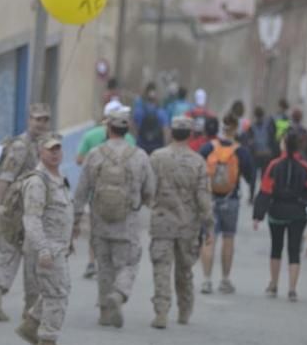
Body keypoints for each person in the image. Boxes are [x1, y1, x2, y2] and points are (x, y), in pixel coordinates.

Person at [73, 106, 155, 328]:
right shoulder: (139, 156)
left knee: (104, 266)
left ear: (108, 128)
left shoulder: (95, 154)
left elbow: (81, 190)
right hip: (127, 223)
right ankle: (119, 294)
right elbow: (150, 192)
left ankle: (104, 312)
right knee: (129, 263)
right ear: (127, 128)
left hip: (100, 221)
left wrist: (75, 220)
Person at [0, 103, 51, 322]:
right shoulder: (21, 146)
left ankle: (29, 308)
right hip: (15, 212)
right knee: (10, 254)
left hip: (35, 211)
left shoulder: (45, 145)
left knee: (32, 259)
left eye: (45, 120)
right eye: (37, 119)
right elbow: (5, 178)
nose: (41, 124)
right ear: (28, 120)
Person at [148, 117, 214, 328]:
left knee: (161, 267)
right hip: (188, 225)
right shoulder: (198, 161)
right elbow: (203, 197)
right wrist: (209, 225)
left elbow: (148, 189)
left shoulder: (157, 157)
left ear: (171, 132)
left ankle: (161, 312)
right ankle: (184, 310)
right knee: (184, 269)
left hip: (161, 222)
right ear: (191, 135)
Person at [14, 134, 75, 345]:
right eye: (50, 149)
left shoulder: (58, 177)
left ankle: (31, 325)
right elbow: (31, 219)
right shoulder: (38, 181)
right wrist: (43, 249)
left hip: (59, 246)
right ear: (40, 151)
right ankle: (47, 342)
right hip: (47, 248)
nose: (55, 153)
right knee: (56, 292)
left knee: (59, 288)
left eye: (58, 149)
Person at [253, 131, 307, 302]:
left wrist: (258, 215)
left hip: (276, 211)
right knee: (294, 251)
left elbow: (265, 191)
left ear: (284, 145)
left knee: (276, 249)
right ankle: (292, 289)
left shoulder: (273, 165)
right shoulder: (306, 167)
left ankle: (274, 284)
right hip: (298, 214)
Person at [75, 101, 134, 281]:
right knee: (119, 230)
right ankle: (114, 265)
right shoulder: (130, 139)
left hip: (97, 194)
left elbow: (79, 160)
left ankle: (93, 262)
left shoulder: (90, 136)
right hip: (123, 197)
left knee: (96, 230)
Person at [198, 114, 255, 295]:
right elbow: (250, 177)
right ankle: (225, 280)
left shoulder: (208, 148)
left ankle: (206, 280)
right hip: (231, 200)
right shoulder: (241, 151)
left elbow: (198, 170)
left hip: (210, 199)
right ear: (236, 130)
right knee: (228, 239)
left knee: (209, 239)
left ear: (222, 128)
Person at [242, 106, 279, 203]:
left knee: (254, 177)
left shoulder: (252, 127)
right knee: (263, 177)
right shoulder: (269, 125)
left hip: (256, 155)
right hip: (266, 155)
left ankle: (252, 197)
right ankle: (262, 197)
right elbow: (273, 140)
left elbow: (248, 142)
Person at [133, 82, 170, 154]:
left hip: (141, 147)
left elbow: (134, 129)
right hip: (157, 148)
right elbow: (166, 131)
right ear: (156, 98)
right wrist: (165, 147)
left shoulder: (139, 111)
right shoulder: (162, 112)